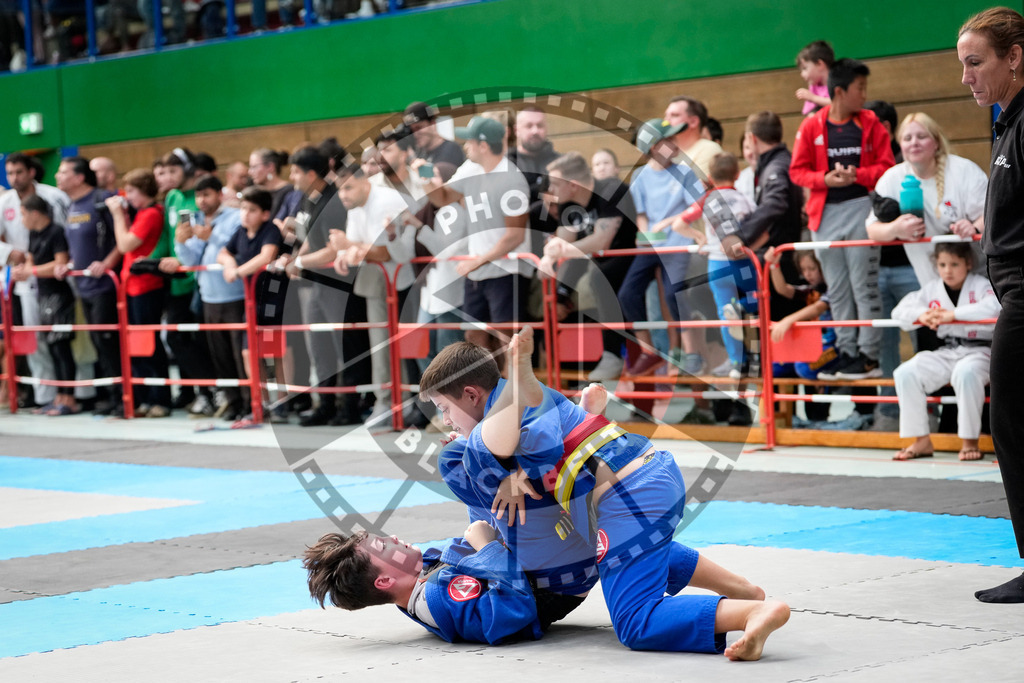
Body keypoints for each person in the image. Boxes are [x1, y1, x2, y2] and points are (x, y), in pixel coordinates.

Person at [419, 328, 789, 659]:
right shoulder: (532, 407)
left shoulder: (503, 425)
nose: (446, 421)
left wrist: (514, 476)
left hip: (630, 493)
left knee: (635, 621)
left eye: (445, 409)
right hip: (639, 475)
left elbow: (541, 449)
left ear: (471, 394)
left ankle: (751, 613)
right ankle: (744, 591)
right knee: (618, 548)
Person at [957, 6, 1024, 603]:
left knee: (1011, 422)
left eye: (976, 62)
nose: (966, 77)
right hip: (1011, 285)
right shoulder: (1005, 120)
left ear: (1015, 56)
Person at [866, 112, 988, 430]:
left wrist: (972, 226)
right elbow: (873, 230)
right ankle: (938, 429)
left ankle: (982, 429)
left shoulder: (964, 172)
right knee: (934, 355)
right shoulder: (893, 178)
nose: (914, 143)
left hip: (980, 278)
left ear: (935, 142)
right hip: (934, 284)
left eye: (921, 136)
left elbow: (994, 215)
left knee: (978, 354)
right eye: (907, 138)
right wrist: (896, 227)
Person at [790, 57, 895, 380]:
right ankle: (847, 351)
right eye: (859, 88)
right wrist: (825, 179)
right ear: (839, 91)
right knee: (837, 288)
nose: (864, 95)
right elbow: (797, 172)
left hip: (862, 210)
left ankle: (868, 355)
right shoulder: (811, 126)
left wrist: (857, 174)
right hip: (825, 217)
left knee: (863, 286)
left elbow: (888, 166)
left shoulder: (870, 123)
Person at [535, 152, 639, 382]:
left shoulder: (611, 189)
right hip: (598, 261)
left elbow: (602, 241)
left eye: (555, 183)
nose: (551, 189)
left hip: (630, 255)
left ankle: (613, 354)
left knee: (597, 277)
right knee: (564, 281)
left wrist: (559, 251)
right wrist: (548, 257)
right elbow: (563, 240)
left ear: (572, 185)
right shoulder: (567, 204)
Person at [890, 243, 998, 461]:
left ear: (968, 264)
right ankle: (921, 440)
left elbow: (995, 308)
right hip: (949, 351)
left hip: (980, 351)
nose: (948, 270)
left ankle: (969, 441)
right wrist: (922, 315)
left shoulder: (981, 286)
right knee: (906, 372)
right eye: (942, 265)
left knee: (965, 373)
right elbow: (898, 312)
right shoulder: (932, 289)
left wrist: (954, 314)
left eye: (954, 264)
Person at [616, 119, 705, 378]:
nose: (675, 143)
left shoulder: (685, 173)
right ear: (654, 147)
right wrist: (645, 232)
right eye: (669, 140)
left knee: (673, 293)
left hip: (677, 245)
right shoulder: (639, 176)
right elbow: (642, 215)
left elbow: (697, 205)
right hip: (652, 246)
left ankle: (692, 353)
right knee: (627, 294)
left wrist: (669, 223)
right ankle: (648, 350)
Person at [328, 163, 408, 430]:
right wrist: (344, 255)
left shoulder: (385, 201)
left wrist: (349, 248)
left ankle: (395, 401)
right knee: (381, 345)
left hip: (400, 281)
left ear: (365, 181)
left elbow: (383, 253)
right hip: (378, 281)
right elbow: (356, 244)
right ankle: (386, 400)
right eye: (340, 190)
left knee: (394, 346)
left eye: (348, 187)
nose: (343, 195)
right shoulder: (357, 205)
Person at [160, 175, 247, 421]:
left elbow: (234, 249)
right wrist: (181, 242)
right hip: (209, 296)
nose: (202, 201)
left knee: (238, 354)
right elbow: (191, 260)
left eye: (207, 195)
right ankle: (232, 400)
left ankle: (250, 402)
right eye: (198, 196)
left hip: (235, 294)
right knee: (219, 355)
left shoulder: (233, 217)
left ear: (219, 194)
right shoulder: (196, 220)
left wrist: (210, 236)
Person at [448, 115, 532, 353]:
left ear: (483, 146)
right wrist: (426, 181)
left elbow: (515, 236)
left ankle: (512, 389)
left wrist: (478, 260)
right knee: (473, 337)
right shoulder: (472, 171)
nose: (465, 146)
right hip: (478, 271)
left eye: (469, 141)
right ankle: (487, 389)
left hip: (506, 270)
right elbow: (441, 197)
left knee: (506, 339)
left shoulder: (512, 179)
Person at [672, 153, 757, 385]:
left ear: (709, 177)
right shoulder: (744, 198)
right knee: (756, 300)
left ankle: (737, 364)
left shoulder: (707, 199)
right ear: (737, 175)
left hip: (717, 265)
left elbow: (678, 223)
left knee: (724, 314)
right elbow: (756, 226)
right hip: (742, 262)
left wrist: (699, 237)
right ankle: (742, 308)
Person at [54, 156, 123, 416]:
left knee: (109, 343)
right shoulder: (72, 206)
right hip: (82, 286)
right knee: (97, 344)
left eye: (63, 172)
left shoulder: (101, 201)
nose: (57, 177)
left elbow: (121, 239)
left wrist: (106, 263)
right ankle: (109, 397)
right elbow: (78, 247)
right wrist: (67, 264)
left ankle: (124, 398)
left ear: (80, 177)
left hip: (105, 286)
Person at [1, 153, 69, 410]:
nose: (14, 178)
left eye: (19, 172)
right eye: (9, 173)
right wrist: (10, 254)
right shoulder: (4, 201)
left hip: (58, 274)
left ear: (31, 172)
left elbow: (66, 233)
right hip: (25, 276)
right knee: (35, 338)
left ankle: (77, 394)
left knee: (63, 339)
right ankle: (46, 396)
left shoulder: (53, 197)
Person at [724, 111, 805, 321]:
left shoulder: (776, 167)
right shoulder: (778, 163)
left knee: (779, 331)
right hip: (779, 258)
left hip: (779, 260)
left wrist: (742, 236)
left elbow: (775, 203)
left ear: (752, 138)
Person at [106, 169, 171, 418]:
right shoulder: (142, 213)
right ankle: (145, 398)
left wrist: (117, 215)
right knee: (137, 345)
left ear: (144, 191)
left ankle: (160, 399)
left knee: (149, 344)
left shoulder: (151, 214)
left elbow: (124, 245)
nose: (128, 196)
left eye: (131, 191)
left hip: (146, 286)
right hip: (132, 286)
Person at [218, 186, 286, 424]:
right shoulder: (240, 232)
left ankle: (283, 402)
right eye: (244, 209)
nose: (245, 214)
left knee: (275, 351)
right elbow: (222, 253)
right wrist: (228, 264)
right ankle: (262, 401)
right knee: (249, 352)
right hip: (251, 303)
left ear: (265, 214)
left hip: (272, 300)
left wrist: (238, 271)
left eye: (252, 210)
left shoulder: (270, 231)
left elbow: (266, 256)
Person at [11, 195, 78, 415]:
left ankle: (69, 398)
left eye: (23, 214)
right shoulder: (33, 233)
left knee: (61, 347)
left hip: (59, 295)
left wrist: (31, 271)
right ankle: (59, 395)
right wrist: (24, 270)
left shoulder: (56, 232)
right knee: (51, 347)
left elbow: (60, 263)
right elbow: (32, 259)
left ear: (35, 213)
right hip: (43, 293)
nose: (21, 220)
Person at [764, 247, 843, 385]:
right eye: (804, 270)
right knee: (773, 367)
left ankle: (825, 387)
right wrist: (773, 265)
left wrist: (788, 320)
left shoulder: (835, 288)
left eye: (812, 269)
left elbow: (819, 307)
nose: (808, 274)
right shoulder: (811, 290)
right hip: (813, 345)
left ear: (823, 266)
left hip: (836, 347)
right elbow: (783, 289)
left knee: (803, 368)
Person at [511, 107, 561, 204]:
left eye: (540, 125)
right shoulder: (507, 165)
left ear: (547, 128)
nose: (535, 131)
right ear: (516, 130)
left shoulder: (561, 164)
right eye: (529, 126)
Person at [404, 101, 466, 168]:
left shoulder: (451, 149)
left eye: (419, 127)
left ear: (432, 124)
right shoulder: (419, 153)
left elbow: (441, 176)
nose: (415, 134)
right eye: (411, 131)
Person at [795, 40, 835, 116]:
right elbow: (809, 114)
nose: (802, 74)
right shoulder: (813, 86)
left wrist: (813, 98)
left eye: (805, 68)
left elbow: (837, 104)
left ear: (820, 64)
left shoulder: (838, 83)